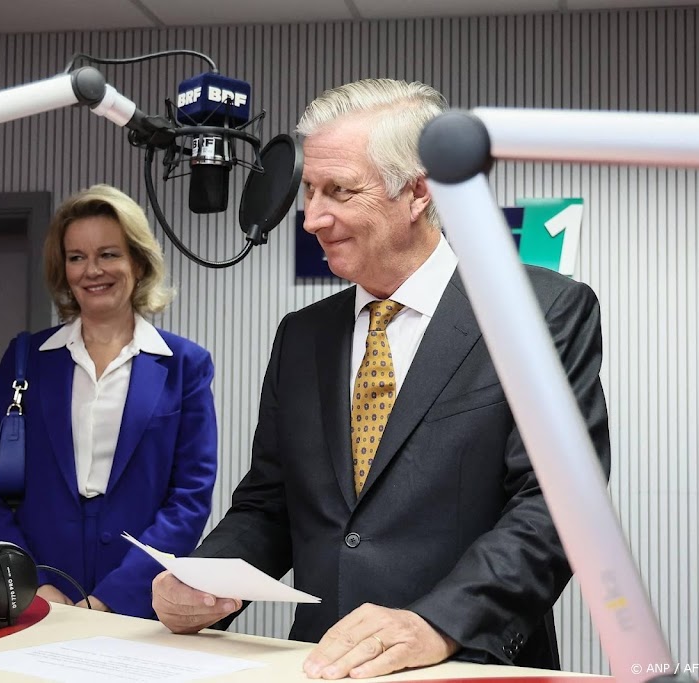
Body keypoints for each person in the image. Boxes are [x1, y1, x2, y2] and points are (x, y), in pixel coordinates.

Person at [151, 78, 611, 679]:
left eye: (339, 191)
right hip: (322, 662)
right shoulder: (302, 335)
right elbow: (270, 504)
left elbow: (555, 508)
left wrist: (437, 623)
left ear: (417, 191)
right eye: (309, 191)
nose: (312, 218)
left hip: (464, 662)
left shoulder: (539, 311)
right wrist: (204, 579)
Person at [0, 184, 217, 617]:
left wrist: (114, 597)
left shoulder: (184, 364)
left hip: (139, 589)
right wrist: (28, 581)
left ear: (138, 261)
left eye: (109, 254)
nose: (92, 270)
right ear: (63, 269)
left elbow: (189, 497)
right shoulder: (26, 358)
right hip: (39, 588)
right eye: (76, 257)